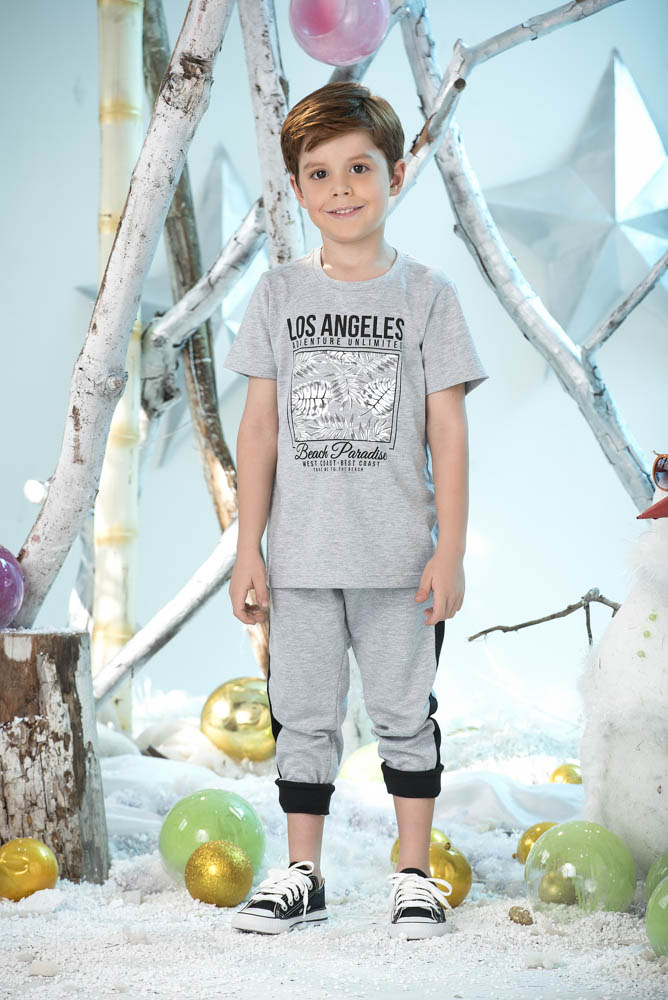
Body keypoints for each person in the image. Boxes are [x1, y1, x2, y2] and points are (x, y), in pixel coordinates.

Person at [222, 81, 489, 939]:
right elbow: (259, 430)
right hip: (300, 561)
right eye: (320, 173)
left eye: (360, 168)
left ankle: (414, 875)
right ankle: (304, 874)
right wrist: (248, 549)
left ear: (396, 174)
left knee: (406, 717)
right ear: (298, 189)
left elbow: (448, 431)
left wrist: (449, 551)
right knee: (301, 718)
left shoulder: (428, 296)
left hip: (399, 561)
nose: (341, 188)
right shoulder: (278, 295)